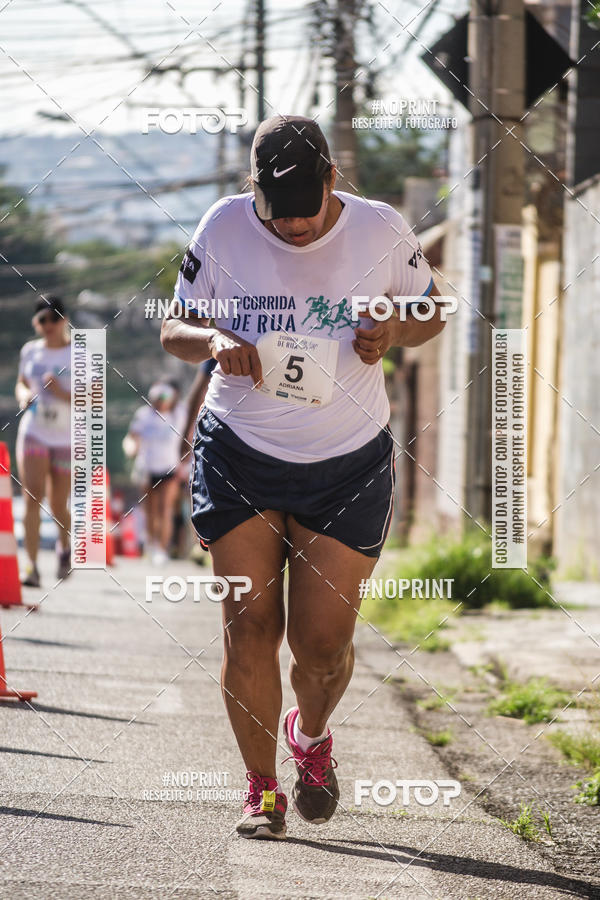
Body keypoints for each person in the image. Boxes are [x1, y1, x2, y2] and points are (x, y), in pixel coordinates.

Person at [161, 114, 445, 840]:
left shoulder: (381, 229)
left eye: (306, 212)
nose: (291, 228)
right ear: (253, 191)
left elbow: (432, 310)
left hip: (346, 463)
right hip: (240, 454)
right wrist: (215, 339)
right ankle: (260, 791)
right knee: (249, 628)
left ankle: (310, 737)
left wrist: (394, 328)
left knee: (322, 649)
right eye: (275, 213)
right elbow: (175, 326)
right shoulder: (224, 227)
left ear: (333, 181)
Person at [15, 295, 72, 586]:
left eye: (52, 318)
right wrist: (24, 395)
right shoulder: (30, 351)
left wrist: (62, 392)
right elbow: (21, 382)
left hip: (65, 438)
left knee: (58, 505)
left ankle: (65, 548)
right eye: (41, 320)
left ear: (63, 320)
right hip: (34, 432)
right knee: (32, 497)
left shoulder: (80, 354)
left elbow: (95, 398)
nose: (47, 325)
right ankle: (32, 567)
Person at [123, 379, 186, 565]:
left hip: (170, 469)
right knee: (150, 510)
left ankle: (162, 548)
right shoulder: (143, 415)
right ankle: (150, 543)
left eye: (165, 398)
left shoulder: (179, 414)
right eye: (157, 398)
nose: (161, 402)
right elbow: (132, 437)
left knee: (165, 509)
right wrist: (131, 448)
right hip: (147, 468)